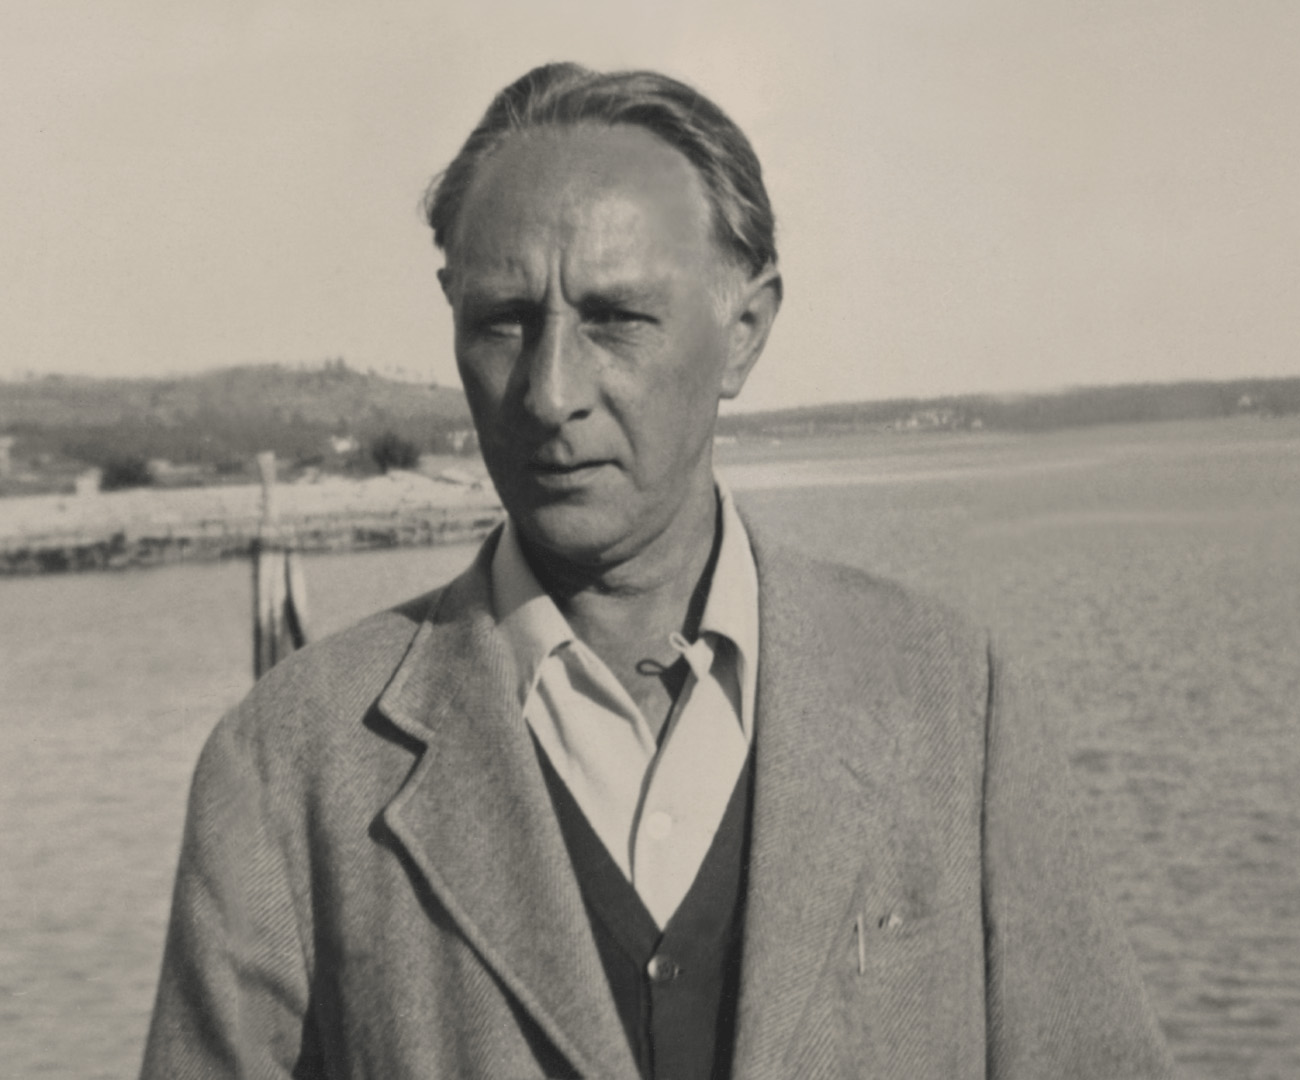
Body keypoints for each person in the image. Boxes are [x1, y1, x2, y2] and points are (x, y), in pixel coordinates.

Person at [142, 63, 1175, 1079]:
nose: (550, 393)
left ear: (745, 335)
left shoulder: (949, 703)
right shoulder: (291, 765)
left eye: (615, 319)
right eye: (503, 321)